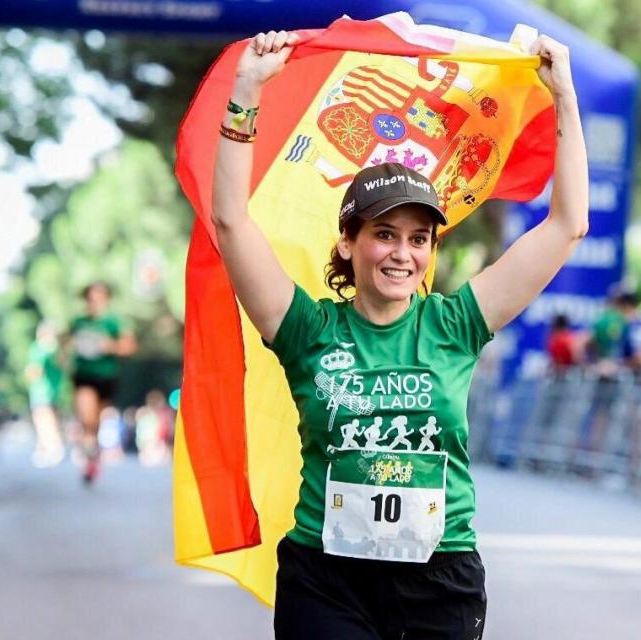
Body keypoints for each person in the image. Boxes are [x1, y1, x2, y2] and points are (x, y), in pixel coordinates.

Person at [211, 29, 587, 639]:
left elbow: (567, 225)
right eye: (384, 234)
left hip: (439, 581)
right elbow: (230, 222)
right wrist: (246, 91)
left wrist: (564, 96)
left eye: (418, 239)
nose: (402, 253)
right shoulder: (307, 330)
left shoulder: (455, 324)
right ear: (348, 243)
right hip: (326, 581)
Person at [68, 282, 137, 485]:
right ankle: (89, 454)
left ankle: (92, 457)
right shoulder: (78, 322)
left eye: (98, 299)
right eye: (90, 299)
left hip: (106, 377)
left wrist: (111, 346)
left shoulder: (114, 322)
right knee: (87, 418)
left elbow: (130, 347)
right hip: (84, 376)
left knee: (95, 422)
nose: (94, 303)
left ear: (106, 300)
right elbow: (68, 344)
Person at [25, 320, 66, 467]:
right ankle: (44, 448)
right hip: (55, 391)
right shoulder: (58, 350)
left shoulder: (39, 348)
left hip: (41, 391)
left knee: (43, 420)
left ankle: (52, 447)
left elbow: (34, 370)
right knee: (51, 419)